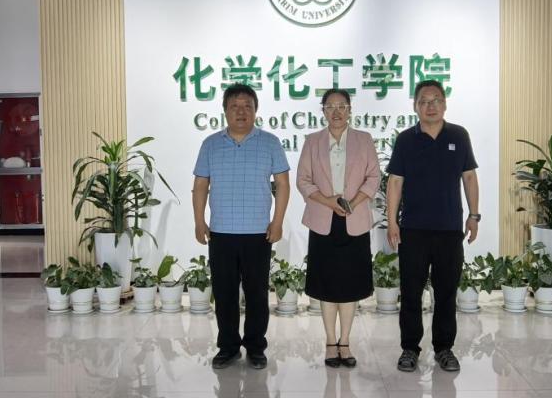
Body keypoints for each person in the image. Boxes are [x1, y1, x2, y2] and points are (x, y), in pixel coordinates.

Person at [192, 83, 290, 369]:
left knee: (257, 294)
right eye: (234, 106)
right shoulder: (210, 144)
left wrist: (278, 221)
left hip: (258, 233)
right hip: (221, 232)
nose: (241, 111)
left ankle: (256, 347)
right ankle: (228, 347)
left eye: (247, 106)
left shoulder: (270, 142)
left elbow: (283, 184)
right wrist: (199, 221)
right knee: (224, 294)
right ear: (225, 111)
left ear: (256, 110)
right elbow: (200, 185)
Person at [386, 80, 480, 373]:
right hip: (413, 229)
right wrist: (392, 222)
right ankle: (409, 348)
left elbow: (469, 177)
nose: (431, 106)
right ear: (415, 106)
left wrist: (474, 215)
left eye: (436, 100)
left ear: (445, 103)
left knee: (446, 292)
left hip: (449, 229)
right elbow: (395, 182)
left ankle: (444, 348)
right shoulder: (406, 140)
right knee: (411, 292)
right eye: (424, 101)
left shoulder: (459, 136)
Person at [296, 89, 379, 368]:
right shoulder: (312, 141)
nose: (336, 112)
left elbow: (373, 177)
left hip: (355, 220)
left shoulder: (364, 140)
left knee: (350, 284)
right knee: (327, 283)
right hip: (323, 220)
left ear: (350, 110)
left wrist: (352, 203)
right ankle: (331, 342)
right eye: (330, 106)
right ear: (323, 111)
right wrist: (328, 201)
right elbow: (303, 180)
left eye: (342, 106)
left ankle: (345, 341)